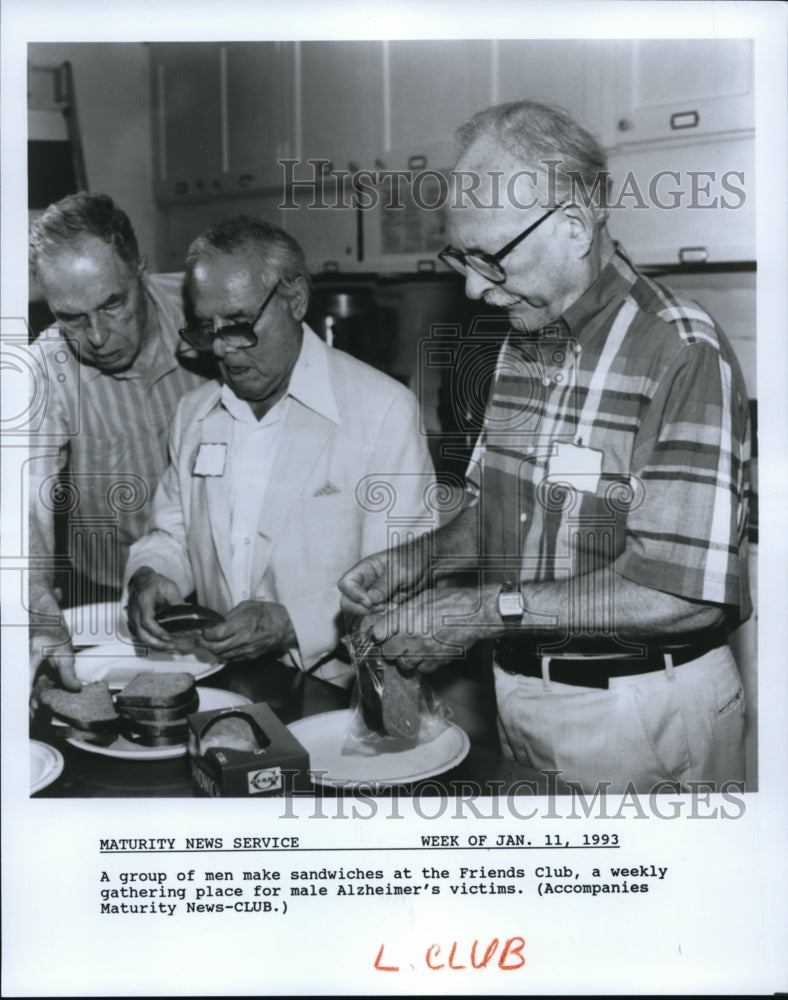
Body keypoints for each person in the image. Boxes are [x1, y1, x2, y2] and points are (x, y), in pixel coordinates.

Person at [339, 100, 752, 792]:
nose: (473, 287)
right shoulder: (523, 343)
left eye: (489, 259)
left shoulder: (679, 350)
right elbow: (502, 512)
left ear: (572, 225)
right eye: (460, 257)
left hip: (643, 711)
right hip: (523, 696)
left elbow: (685, 592)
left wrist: (480, 611)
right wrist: (420, 559)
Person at [124, 216, 435, 687]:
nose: (224, 350)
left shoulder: (382, 411)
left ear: (295, 300)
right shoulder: (194, 414)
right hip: (220, 678)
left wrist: (293, 623)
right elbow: (174, 533)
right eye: (208, 329)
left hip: (340, 688)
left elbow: (401, 580)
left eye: (240, 325)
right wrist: (153, 573)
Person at [28, 192, 212, 690]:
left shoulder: (207, 308)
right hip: (110, 593)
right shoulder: (45, 370)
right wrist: (38, 604)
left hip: (226, 583)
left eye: (113, 304)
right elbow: (24, 500)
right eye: (71, 317)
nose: (98, 336)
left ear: (140, 272)